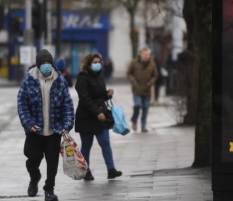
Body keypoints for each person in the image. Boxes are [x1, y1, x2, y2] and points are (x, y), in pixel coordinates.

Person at [17, 49, 74, 201]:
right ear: (38, 65)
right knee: (32, 160)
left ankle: (49, 189)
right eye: (43, 63)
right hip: (35, 131)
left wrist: (66, 125)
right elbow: (22, 104)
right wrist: (28, 124)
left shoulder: (60, 81)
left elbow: (67, 105)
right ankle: (34, 178)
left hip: (53, 131)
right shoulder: (29, 80)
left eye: (49, 63)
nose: (46, 66)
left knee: (52, 161)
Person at [74, 53, 122, 181]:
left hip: (101, 115)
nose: (98, 64)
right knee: (86, 145)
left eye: (99, 62)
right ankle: (86, 171)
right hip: (87, 116)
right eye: (95, 62)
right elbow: (85, 99)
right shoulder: (82, 78)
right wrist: (97, 112)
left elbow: (99, 95)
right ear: (89, 63)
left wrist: (108, 94)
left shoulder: (100, 76)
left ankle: (111, 170)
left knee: (105, 142)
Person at [127, 46, 158, 132]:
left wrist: (151, 83)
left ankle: (143, 125)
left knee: (145, 108)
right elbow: (129, 73)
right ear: (141, 54)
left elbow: (155, 75)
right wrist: (133, 81)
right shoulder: (134, 62)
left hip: (147, 90)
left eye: (149, 54)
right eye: (146, 54)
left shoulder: (152, 63)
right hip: (136, 89)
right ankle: (134, 121)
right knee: (137, 105)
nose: (148, 56)